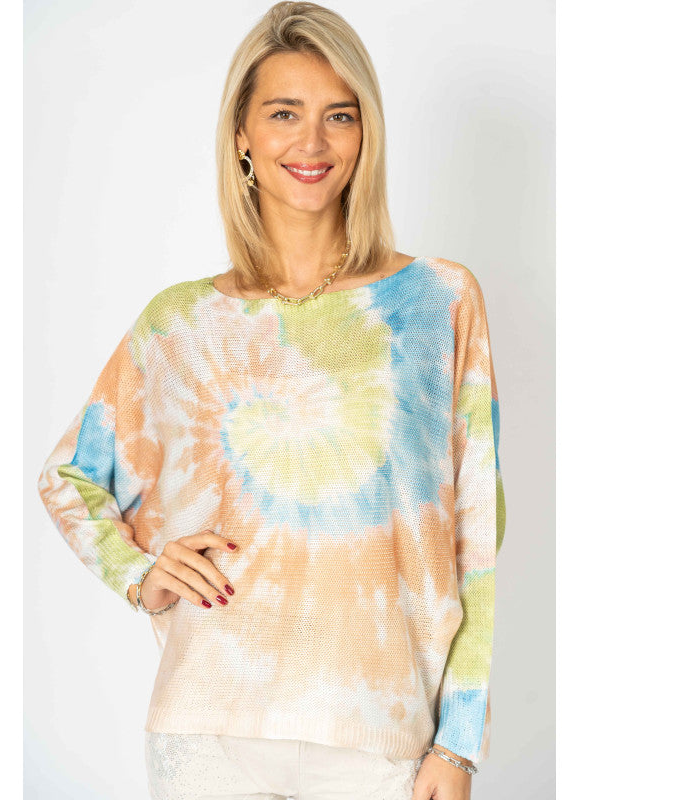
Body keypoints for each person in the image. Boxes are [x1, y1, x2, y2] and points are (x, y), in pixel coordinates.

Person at [36, 2, 506, 798]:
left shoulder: (437, 301)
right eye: (284, 113)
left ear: (367, 132)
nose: (312, 142)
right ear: (242, 137)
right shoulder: (181, 321)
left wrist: (458, 746)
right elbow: (69, 475)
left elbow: (477, 536)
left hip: (380, 735)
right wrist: (141, 573)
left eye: (339, 115)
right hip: (208, 731)